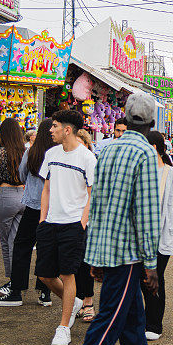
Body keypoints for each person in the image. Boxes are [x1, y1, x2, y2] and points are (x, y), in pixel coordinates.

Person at [54, 91, 173, 345]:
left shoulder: (108, 150)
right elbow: (146, 213)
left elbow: (97, 204)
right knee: (106, 326)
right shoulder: (146, 154)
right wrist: (151, 266)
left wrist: (94, 257)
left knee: (133, 325)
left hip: (107, 249)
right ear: (150, 121)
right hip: (127, 256)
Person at [36, 110, 97, 345]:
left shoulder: (87, 158)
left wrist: (82, 222)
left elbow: (93, 194)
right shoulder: (50, 154)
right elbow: (46, 189)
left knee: (68, 274)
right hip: (50, 223)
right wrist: (42, 220)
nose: (51, 130)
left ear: (67, 130)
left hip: (73, 224)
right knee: (45, 275)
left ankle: (63, 327)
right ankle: (76, 303)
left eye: (55, 126)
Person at [0, 119, 55, 307]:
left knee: (21, 246)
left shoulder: (32, 152)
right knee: (46, 249)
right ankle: (45, 292)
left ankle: (17, 290)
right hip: (52, 209)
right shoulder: (58, 154)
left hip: (33, 206)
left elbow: (21, 175)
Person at [144, 131, 173, 340]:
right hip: (140, 236)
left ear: (153, 147)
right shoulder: (140, 171)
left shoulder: (171, 174)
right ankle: (144, 320)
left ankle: (154, 324)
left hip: (162, 234)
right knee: (141, 279)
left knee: (154, 277)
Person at [0, 118, 27, 297]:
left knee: (6, 241)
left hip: (6, 195)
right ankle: (17, 281)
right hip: (23, 195)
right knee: (15, 240)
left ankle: (12, 281)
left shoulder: (2, 152)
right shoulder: (24, 152)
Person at [74, 129, 98, 320]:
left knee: (84, 263)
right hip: (68, 218)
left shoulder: (90, 161)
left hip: (86, 219)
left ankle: (87, 301)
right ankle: (76, 300)